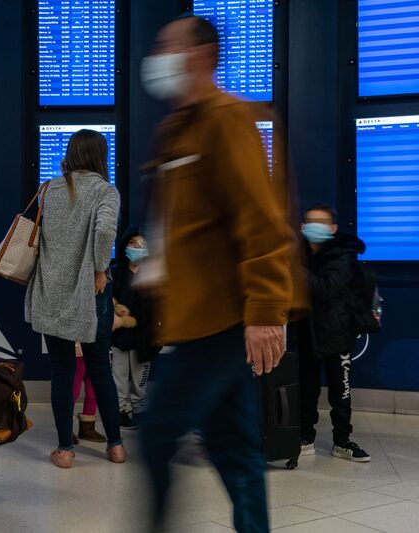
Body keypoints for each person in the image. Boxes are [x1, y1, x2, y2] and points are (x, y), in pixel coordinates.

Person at [138, 16, 302, 531]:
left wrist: (267, 310)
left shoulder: (228, 120)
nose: (159, 58)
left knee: (156, 435)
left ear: (202, 56)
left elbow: (261, 218)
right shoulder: (177, 128)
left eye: (169, 47)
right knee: (235, 448)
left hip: (219, 319)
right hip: (193, 316)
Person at [25, 129, 125, 469]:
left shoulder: (50, 189)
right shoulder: (106, 191)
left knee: (62, 372)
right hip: (91, 292)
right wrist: (99, 268)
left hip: (51, 290)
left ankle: (65, 450)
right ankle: (115, 446)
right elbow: (106, 230)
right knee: (100, 369)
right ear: (100, 156)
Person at [298, 203, 371, 462]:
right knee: (305, 390)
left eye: (322, 222)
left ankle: (342, 441)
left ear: (333, 228)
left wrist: (294, 270)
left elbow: (325, 288)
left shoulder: (342, 255)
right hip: (305, 332)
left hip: (337, 333)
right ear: (302, 226)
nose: (315, 227)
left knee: (341, 392)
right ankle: (305, 438)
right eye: (310, 222)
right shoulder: (297, 252)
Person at [111, 226, 150, 429]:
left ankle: (139, 409)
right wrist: (116, 307)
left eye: (141, 243)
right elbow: (109, 298)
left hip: (142, 339)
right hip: (119, 339)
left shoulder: (151, 275)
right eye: (132, 243)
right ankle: (120, 411)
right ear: (124, 246)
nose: (136, 247)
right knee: (119, 377)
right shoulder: (116, 273)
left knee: (139, 380)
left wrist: (132, 321)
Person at [72, 342, 107, 443]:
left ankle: (87, 429)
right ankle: (66, 429)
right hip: (76, 351)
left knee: (93, 390)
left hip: (95, 350)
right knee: (73, 391)